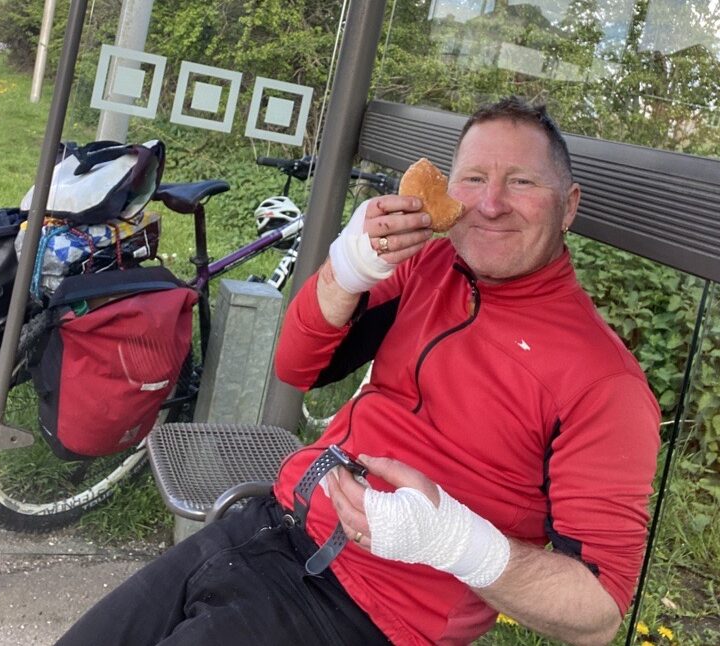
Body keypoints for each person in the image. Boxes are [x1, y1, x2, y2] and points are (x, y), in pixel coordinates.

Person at [57, 97, 660, 646]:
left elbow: (600, 610)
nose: (490, 203)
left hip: (363, 614)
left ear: (569, 205)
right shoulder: (428, 265)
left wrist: (455, 542)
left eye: (521, 181)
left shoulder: (603, 381)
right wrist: (346, 271)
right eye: (473, 178)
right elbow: (297, 366)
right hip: (267, 527)